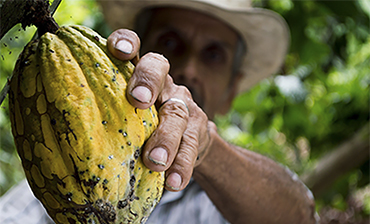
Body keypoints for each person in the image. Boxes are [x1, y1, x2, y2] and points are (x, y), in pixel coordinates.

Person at [0, 0, 319, 223]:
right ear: (130, 54)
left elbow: (299, 216)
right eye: (170, 41)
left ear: (231, 92)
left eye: (213, 54)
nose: (189, 68)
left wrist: (205, 147)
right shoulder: (58, 175)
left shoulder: (227, 203)